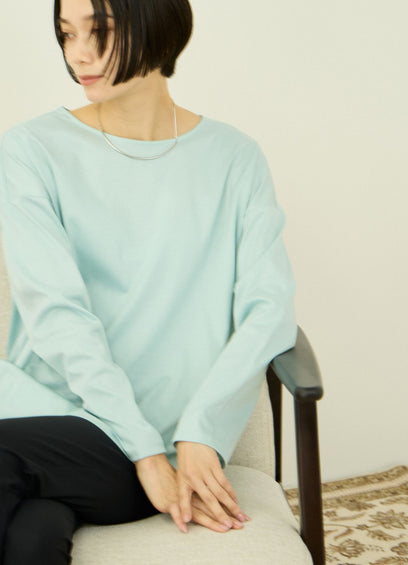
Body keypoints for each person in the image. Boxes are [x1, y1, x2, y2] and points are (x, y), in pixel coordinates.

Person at [0, 0, 297, 563]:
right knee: (29, 538)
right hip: (44, 417)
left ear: (156, 23)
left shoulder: (233, 158)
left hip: (143, 450)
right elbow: (57, 314)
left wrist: (199, 431)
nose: (78, 53)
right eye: (66, 33)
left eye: (100, 31)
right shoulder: (30, 148)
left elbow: (268, 310)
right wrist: (144, 452)